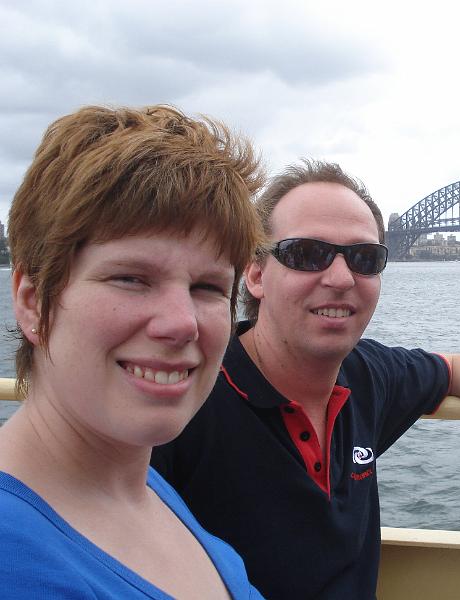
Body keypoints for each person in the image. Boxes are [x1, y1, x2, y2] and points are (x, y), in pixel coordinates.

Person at [152, 159, 460, 600]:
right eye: (308, 254)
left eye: (365, 258)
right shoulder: (184, 399)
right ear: (255, 274)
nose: (341, 277)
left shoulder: (366, 376)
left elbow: (453, 370)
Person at [0, 105, 268, 599]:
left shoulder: (142, 487)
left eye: (208, 287)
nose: (182, 322)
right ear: (33, 302)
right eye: (130, 278)